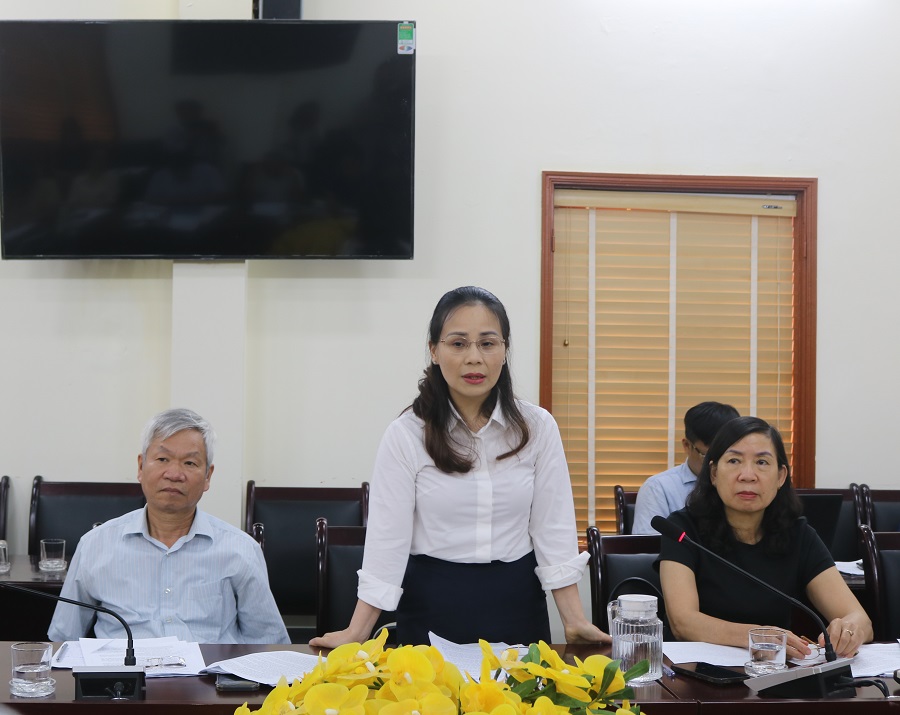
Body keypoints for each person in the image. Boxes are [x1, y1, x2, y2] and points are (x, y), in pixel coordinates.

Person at [309, 286, 608, 648]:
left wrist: (574, 621)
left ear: (504, 350)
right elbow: (387, 542)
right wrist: (357, 632)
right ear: (434, 351)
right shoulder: (406, 434)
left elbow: (552, 529)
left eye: (487, 343)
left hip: (517, 604)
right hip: (431, 606)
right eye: (458, 343)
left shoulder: (537, 427)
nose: (474, 358)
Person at [48, 408, 289, 644]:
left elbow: (269, 643)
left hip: (210, 671)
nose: (174, 474)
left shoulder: (241, 549)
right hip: (124, 670)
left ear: (208, 476)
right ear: (141, 467)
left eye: (190, 463)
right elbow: (63, 640)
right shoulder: (95, 545)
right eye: (162, 459)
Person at [657, 416, 871, 659]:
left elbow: (860, 618)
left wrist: (850, 630)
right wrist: (756, 635)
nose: (747, 475)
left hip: (774, 672)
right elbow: (683, 622)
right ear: (714, 473)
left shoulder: (797, 534)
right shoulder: (683, 530)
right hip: (695, 673)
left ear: (780, 476)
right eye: (734, 461)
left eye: (761, 462)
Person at [632, 401, 740, 535]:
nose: (718, 465)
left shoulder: (746, 483)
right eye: (708, 456)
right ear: (687, 446)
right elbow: (649, 545)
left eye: (731, 458)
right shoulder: (659, 488)